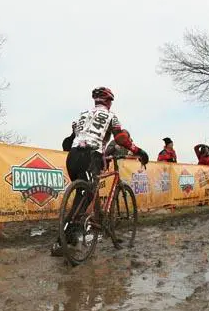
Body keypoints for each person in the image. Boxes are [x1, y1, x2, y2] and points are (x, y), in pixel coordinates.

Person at [51, 87, 148, 255]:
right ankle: (65, 241)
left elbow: (69, 142)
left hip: (72, 157)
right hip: (90, 157)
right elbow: (121, 138)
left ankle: (67, 239)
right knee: (85, 197)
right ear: (109, 101)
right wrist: (138, 151)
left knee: (80, 198)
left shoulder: (82, 115)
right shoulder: (111, 116)